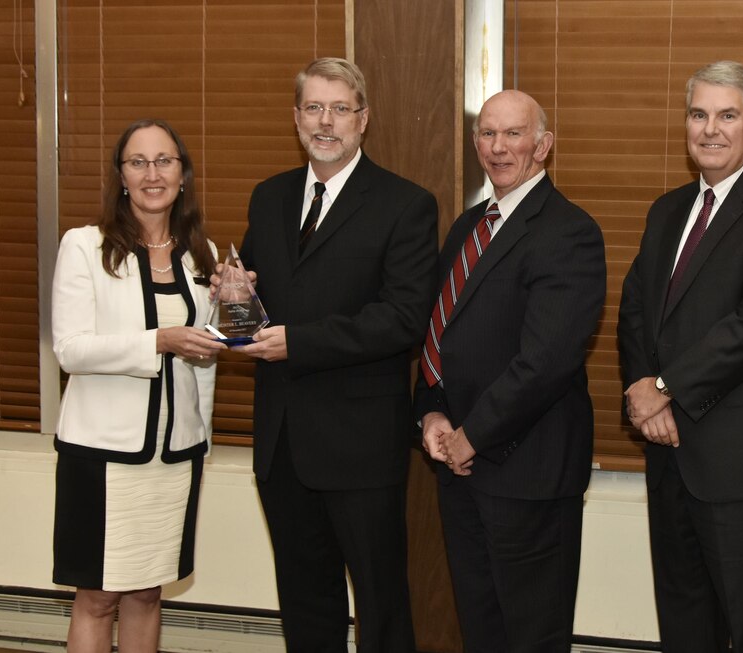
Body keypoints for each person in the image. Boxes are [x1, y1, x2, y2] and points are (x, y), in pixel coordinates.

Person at [230, 57, 437, 652]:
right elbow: (250, 323)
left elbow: (401, 319)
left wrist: (299, 341)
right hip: (282, 444)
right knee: (304, 605)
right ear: (296, 117)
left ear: (363, 120)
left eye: (340, 109)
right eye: (313, 108)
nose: (326, 122)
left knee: (381, 606)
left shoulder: (405, 204)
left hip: (360, 447)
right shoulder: (268, 198)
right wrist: (233, 302)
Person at [617, 61, 743, 652]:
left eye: (727, 115)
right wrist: (641, 389)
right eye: (699, 114)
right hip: (671, 457)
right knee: (685, 627)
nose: (710, 129)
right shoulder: (667, 210)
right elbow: (635, 310)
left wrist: (666, 387)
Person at [414, 89, 606, 653]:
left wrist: (474, 435)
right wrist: (431, 413)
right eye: (488, 134)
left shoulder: (569, 231)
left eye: (513, 134)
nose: (498, 148)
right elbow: (439, 333)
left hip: (529, 474)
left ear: (543, 146)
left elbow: (545, 362)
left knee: (531, 639)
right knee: (481, 631)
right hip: (459, 468)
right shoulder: (468, 226)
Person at [51, 118, 223, 652]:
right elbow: (71, 348)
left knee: (149, 593)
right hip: (102, 455)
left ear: (183, 174)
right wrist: (159, 340)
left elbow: (208, 355)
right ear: (121, 176)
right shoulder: (85, 246)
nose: (153, 174)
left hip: (174, 458)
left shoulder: (204, 254)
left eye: (165, 161)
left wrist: (205, 437)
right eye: (138, 162)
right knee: (98, 598)